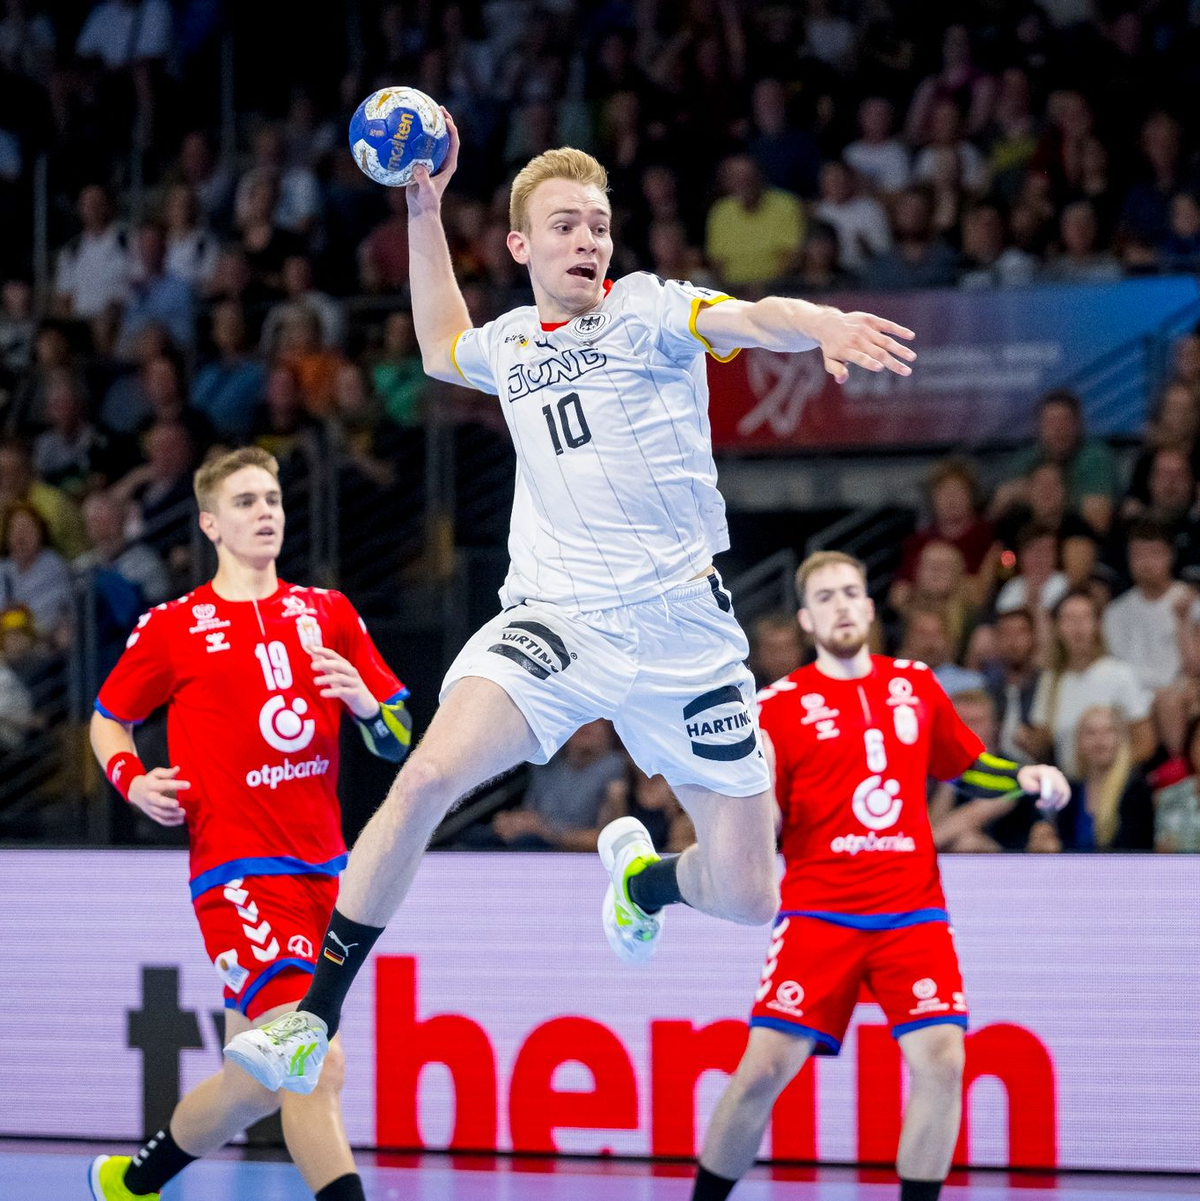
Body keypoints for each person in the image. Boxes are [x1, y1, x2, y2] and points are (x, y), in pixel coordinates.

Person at [224, 125, 918, 1092]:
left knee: (752, 893)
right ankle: (311, 1016)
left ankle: (644, 881)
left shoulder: (649, 309)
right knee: (424, 778)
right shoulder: (508, 344)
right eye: (564, 226)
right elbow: (435, 344)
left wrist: (822, 325)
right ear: (521, 248)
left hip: (685, 637)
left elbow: (754, 316)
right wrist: (423, 209)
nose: (588, 240)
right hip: (557, 619)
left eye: (598, 225)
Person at [689, 552, 1068, 1201]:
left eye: (851, 592)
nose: (841, 605)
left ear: (869, 606)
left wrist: (1023, 776)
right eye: (826, 597)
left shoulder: (916, 684)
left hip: (911, 912)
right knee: (760, 1073)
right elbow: (764, 819)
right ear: (807, 617)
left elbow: (965, 765)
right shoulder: (777, 708)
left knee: (944, 1060)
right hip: (818, 910)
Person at [86, 446, 412, 1201]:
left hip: (329, 876)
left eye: (272, 498)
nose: (265, 511)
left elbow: (398, 736)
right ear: (210, 524)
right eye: (245, 502)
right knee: (314, 1061)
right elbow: (108, 719)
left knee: (254, 1083)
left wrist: (367, 704)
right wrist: (133, 782)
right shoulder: (175, 625)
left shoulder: (328, 611)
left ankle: (131, 1182)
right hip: (238, 877)